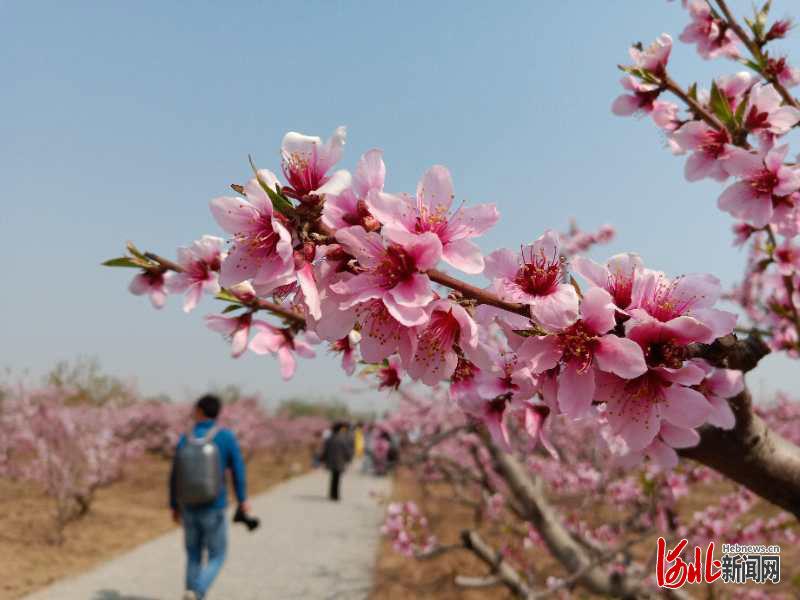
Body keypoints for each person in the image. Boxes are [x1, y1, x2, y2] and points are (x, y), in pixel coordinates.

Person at [169, 394, 251, 600]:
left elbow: (174, 474)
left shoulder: (185, 438)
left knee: (193, 554)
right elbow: (238, 471)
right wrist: (243, 499)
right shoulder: (225, 437)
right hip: (215, 506)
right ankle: (197, 590)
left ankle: (192, 590)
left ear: (199, 411)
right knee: (218, 554)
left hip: (188, 506)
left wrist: (173, 504)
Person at [320, 421, 353, 501]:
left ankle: (332, 494)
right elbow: (347, 450)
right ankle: (336, 495)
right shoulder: (343, 439)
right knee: (337, 478)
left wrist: (323, 459)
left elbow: (325, 450)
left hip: (331, 461)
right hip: (340, 461)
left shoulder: (330, 438)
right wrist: (349, 458)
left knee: (333, 478)